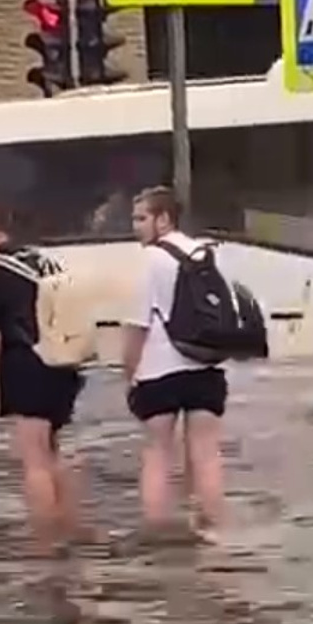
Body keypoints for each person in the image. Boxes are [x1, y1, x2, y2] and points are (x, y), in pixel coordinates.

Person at [0, 205, 85, 547]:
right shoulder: (44, 260)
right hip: (64, 363)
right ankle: (69, 525)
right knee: (53, 452)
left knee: (33, 459)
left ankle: (45, 540)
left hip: (25, 363)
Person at [121, 186, 229, 538]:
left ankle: (157, 536)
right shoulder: (205, 252)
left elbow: (136, 326)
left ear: (164, 218)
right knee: (207, 454)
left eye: (141, 218)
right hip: (204, 365)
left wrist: (129, 374)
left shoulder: (149, 260)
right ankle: (216, 533)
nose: (135, 226)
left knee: (158, 455)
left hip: (158, 371)